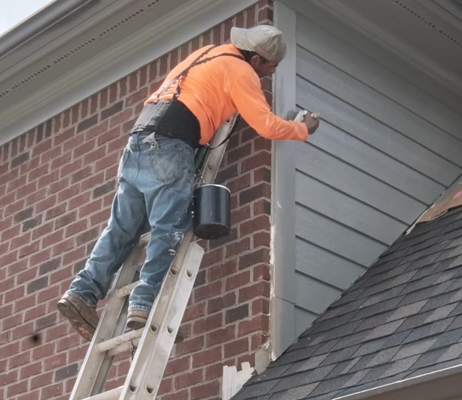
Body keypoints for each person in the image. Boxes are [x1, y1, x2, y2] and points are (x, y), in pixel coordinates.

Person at [57, 24, 319, 343]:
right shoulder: (241, 71)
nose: (271, 73)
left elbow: (198, 94)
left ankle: (82, 292)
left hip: (138, 141)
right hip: (171, 144)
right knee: (169, 228)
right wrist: (302, 128)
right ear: (256, 60)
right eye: (270, 66)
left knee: (122, 228)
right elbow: (266, 125)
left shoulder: (206, 54)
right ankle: (142, 307)